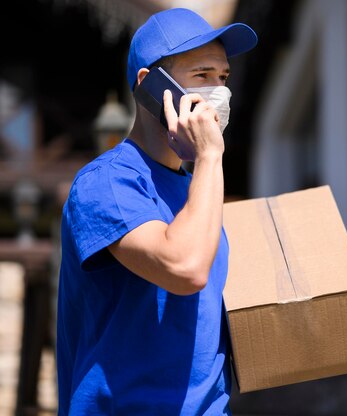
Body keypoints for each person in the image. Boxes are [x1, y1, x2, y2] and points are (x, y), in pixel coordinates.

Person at [56, 8, 258, 415]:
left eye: (224, 78)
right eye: (202, 75)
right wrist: (210, 155)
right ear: (151, 87)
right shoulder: (107, 183)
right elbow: (184, 268)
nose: (219, 92)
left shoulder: (197, 186)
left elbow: (209, 317)